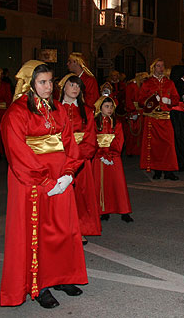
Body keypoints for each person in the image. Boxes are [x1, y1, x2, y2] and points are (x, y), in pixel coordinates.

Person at [0, 60, 86, 308]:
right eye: (42, 82)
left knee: (63, 229)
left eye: (50, 81)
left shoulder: (57, 109)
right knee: (39, 234)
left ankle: (63, 276)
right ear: (29, 84)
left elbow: (70, 142)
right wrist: (47, 181)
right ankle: (40, 286)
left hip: (60, 179)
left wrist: (69, 172)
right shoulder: (16, 113)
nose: (49, 87)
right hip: (34, 182)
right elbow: (18, 154)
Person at [59, 74, 100, 242]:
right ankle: (59, 230)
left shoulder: (87, 111)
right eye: (72, 85)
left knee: (80, 198)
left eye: (78, 86)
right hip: (58, 160)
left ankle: (79, 229)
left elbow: (91, 139)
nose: (75, 88)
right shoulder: (54, 109)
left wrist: (78, 158)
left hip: (80, 162)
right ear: (63, 87)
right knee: (59, 197)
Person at [92, 95, 133, 223]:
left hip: (113, 157)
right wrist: (100, 152)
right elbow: (91, 140)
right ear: (100, 108)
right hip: (99, 158)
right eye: (106, 106)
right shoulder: (94, 123)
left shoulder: (117, 123)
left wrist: (111, 153)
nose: (109, 109)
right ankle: (103, 210)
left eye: (111, 107)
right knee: (100, 184)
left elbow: (119, 140)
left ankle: (123, 210)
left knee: (118, 184)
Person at [138, 58, 180, 180]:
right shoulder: (147, 83)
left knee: (168, 145)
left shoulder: (170, 83)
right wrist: (150, 101)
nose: (160, 68)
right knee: (155, 146)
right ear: (153, 68)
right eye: (158, 66)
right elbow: (141, 101)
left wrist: (170, 101)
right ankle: (157, 169)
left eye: (162, 66)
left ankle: (169, 170)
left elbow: (176, 98)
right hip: (153, 118)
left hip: (165, 118)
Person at [123, 72, 149, 156]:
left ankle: (139, 150)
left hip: (142, 111)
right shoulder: (131, 86)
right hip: (133, 111)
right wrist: (132, 110)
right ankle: (130, 151)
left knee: (141, 132)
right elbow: (128, 99)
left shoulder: (143, 86)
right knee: (132, 132)